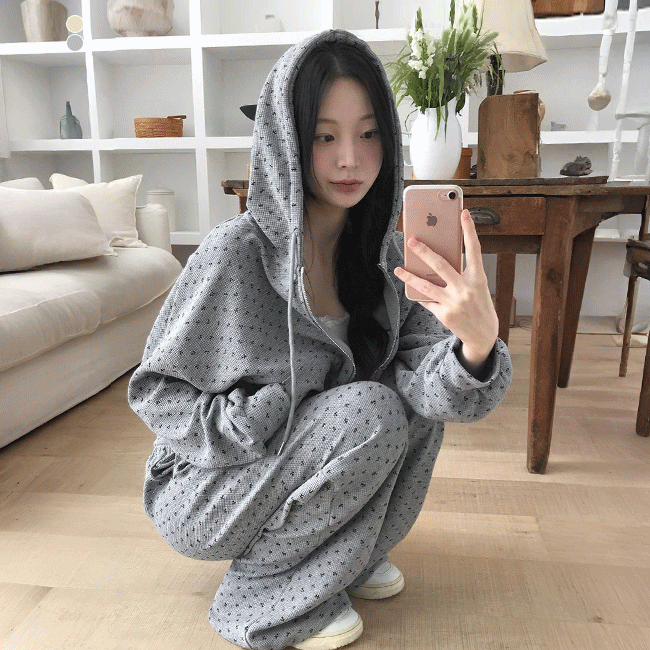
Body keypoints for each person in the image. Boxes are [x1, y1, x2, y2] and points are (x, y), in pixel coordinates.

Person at [127, 28, 512, 650]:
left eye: (369, 134)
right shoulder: (236, 254)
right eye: (324, 137)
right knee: (371, 410)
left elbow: (435, 391)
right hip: (208, 485)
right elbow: (154, 392)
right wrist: (249, 419)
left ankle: (343, 561)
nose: (350, 160)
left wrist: (476, 344)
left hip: (291, 462)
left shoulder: (390, 256)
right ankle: (263, 592)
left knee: (415, 408)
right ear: (286, 140)